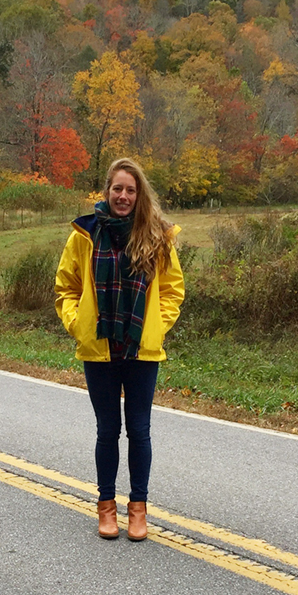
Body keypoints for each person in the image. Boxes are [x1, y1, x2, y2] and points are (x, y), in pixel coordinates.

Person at [55, 158, 185, 541]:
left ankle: (139, 509)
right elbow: (65, 286)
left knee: (139, 431)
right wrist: (77, 324)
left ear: (138, 193)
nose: (124, 196)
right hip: (99, 347)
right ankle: (106, 507)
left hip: (141, 348)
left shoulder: (158, 235)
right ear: (106, 192)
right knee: (107, 430)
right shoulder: (84, 235)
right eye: (117, 189)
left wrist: (157, 329)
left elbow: (173, 290)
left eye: (130, 189)